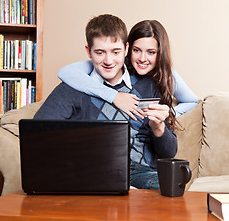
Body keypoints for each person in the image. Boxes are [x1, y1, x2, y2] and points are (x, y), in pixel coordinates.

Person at [34, 14, 177, 190]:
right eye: (100, 52)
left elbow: (169, 153)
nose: (108, 61)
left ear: (126, 49)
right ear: (88, 51)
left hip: (141, 174)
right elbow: (37, 136)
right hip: (91, 171)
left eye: (116, 52)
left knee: (167, 186)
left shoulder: (148, 85)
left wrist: (159, 128)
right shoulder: (71, 89)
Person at [58, 20, 198, 126]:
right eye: (136, 50)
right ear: (128, 49)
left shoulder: (166, 73)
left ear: (160, 53)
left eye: (151, 52)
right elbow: (65, 72)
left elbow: (191, 101)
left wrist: (169, 113)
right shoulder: (115, 63)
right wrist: (115, 96)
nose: (142, 59)